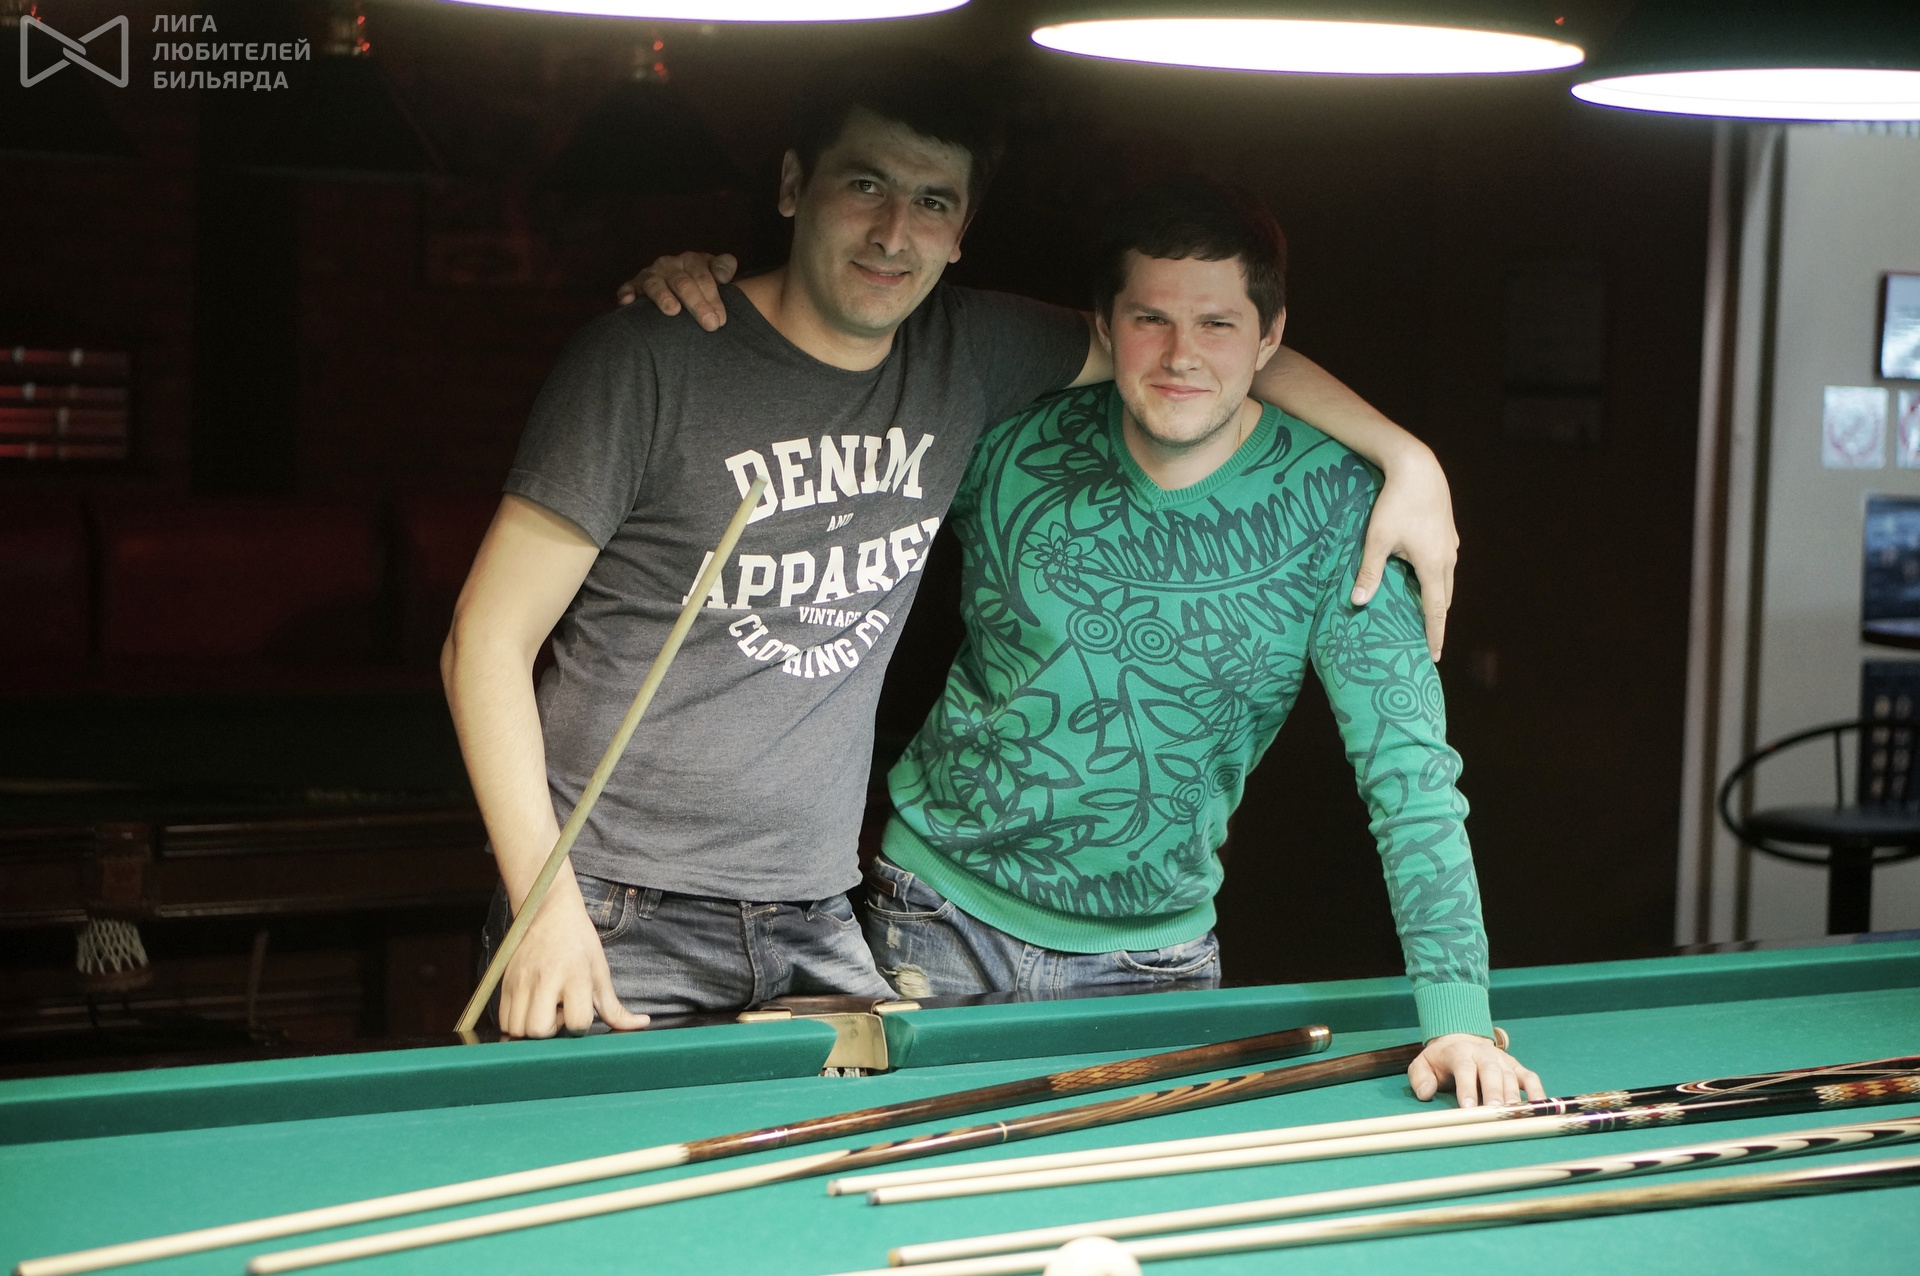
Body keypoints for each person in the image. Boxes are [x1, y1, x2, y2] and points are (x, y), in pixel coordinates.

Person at [448, 52, 1461, 1048]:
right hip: (624, 904)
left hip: (817, 917)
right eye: (865, 184)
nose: (895, 230)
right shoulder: (650, 358)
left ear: (963, 229)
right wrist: (544, 903)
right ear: (794, 185)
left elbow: (1190, 356)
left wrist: (1403, 453)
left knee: (857, 1155)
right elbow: (483, 642)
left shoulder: (972, 359)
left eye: (932, 201)